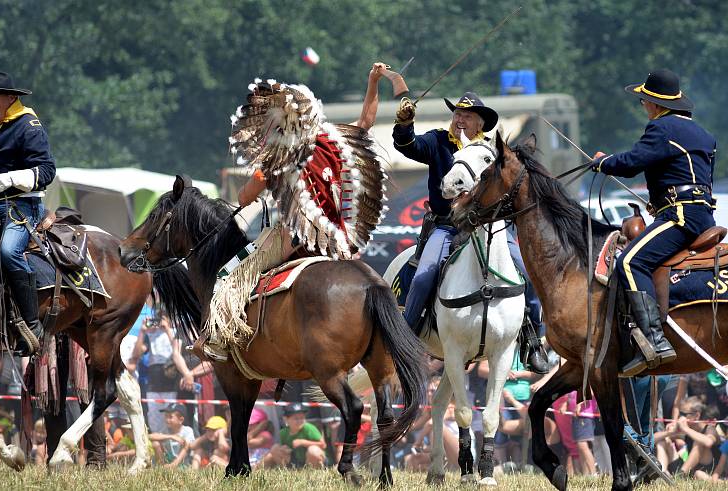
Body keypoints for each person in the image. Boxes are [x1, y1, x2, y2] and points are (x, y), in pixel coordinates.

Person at [199, 65, 389, 361]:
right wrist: (373, 81)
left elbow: (245, 197)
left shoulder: (276, 159)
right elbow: (367, 119)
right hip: (339, 243)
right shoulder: (333, 141)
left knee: (230, 273)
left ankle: (218, 340)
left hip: (296, 238)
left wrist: (255, 184)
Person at [393, 90, 548, 373]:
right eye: (457, 114)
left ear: (480, 123)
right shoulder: (438, 140)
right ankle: (405, 338)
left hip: (490, 227)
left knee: (527, 273)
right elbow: (408, 146)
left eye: (467, 116)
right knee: (424, 275)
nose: (460, 119)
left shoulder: (492, 152)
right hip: (447, 226)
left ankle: (533, 341)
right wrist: (404, 125)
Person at [591, 69, 717, 377]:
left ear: (655, 103)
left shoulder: (661, 128)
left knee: (630, 262)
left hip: (681, 215)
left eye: (644, 101)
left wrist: (603, 163)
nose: (643, 107)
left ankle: (654, 340)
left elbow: (633, 162)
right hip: (701, 214)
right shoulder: (702, 133)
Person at [0, 71, 57, 356]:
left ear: (10, 97)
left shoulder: (28, 124)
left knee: (8, 252)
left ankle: (32, 325)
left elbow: (47, 171)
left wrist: (14, 179)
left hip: (22, 206)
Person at [149, 403, 197, 468]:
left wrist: (174, 464)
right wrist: (171, 436)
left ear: (181, 420)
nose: (167, 420)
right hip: (168, 461)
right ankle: (162, 467)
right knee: (155, 443)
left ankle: (172, 466)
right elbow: (149, 436)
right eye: (166, 416)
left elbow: (186, 448)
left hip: (182, 464)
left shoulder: (187, 431)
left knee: (186, 444)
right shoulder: (165, 429)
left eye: (170, 417)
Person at [278, 403, 326, 468]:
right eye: (296, 418)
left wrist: (303, 442)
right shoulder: (283, 432)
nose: (300, 421)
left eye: (302, 418)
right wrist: (284, 448)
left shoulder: (309, 428)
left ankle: (313, 470)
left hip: (313, 459)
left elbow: (323, 445)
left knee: (313, 450)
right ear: (286, 419)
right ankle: (289, 470)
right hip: (296, 460)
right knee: (275, 448)